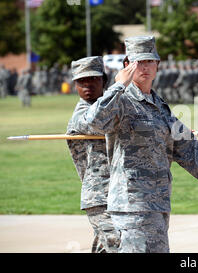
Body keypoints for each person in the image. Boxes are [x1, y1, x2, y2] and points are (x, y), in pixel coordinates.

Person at [72, 36, 198, 253]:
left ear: (158, 65)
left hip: (158, 203)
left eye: (149, 61)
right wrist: (118, 86)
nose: (144, 67)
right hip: (131, 205)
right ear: (127, 65)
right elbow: (93, 122)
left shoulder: (159, 106)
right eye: (138, 62)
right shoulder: (120, 100)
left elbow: (184, 145)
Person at [66, 56, 120, 253]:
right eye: (81, 81)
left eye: (93, 79)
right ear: (75, 85)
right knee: (117, 245)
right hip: (99, 195)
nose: (87, 84)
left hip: (121, 192)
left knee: (105, 248)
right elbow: (97, 122)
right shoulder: (82, 112)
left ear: (103, 81)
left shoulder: (114, 106)